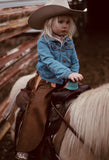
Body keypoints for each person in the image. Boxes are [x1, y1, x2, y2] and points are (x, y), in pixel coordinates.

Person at [15, 0, 86, 159]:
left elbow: (75, 60)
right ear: (50, 23)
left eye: (67, 22)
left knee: (84, 98)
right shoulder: (43, 42)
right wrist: (67, 73)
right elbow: (49, 61)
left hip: (65, 79)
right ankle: (25, 146)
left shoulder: (68, 41)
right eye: (60, 22)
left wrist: (73, 76)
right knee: (37, 107)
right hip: (47, 81)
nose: (65, 25)